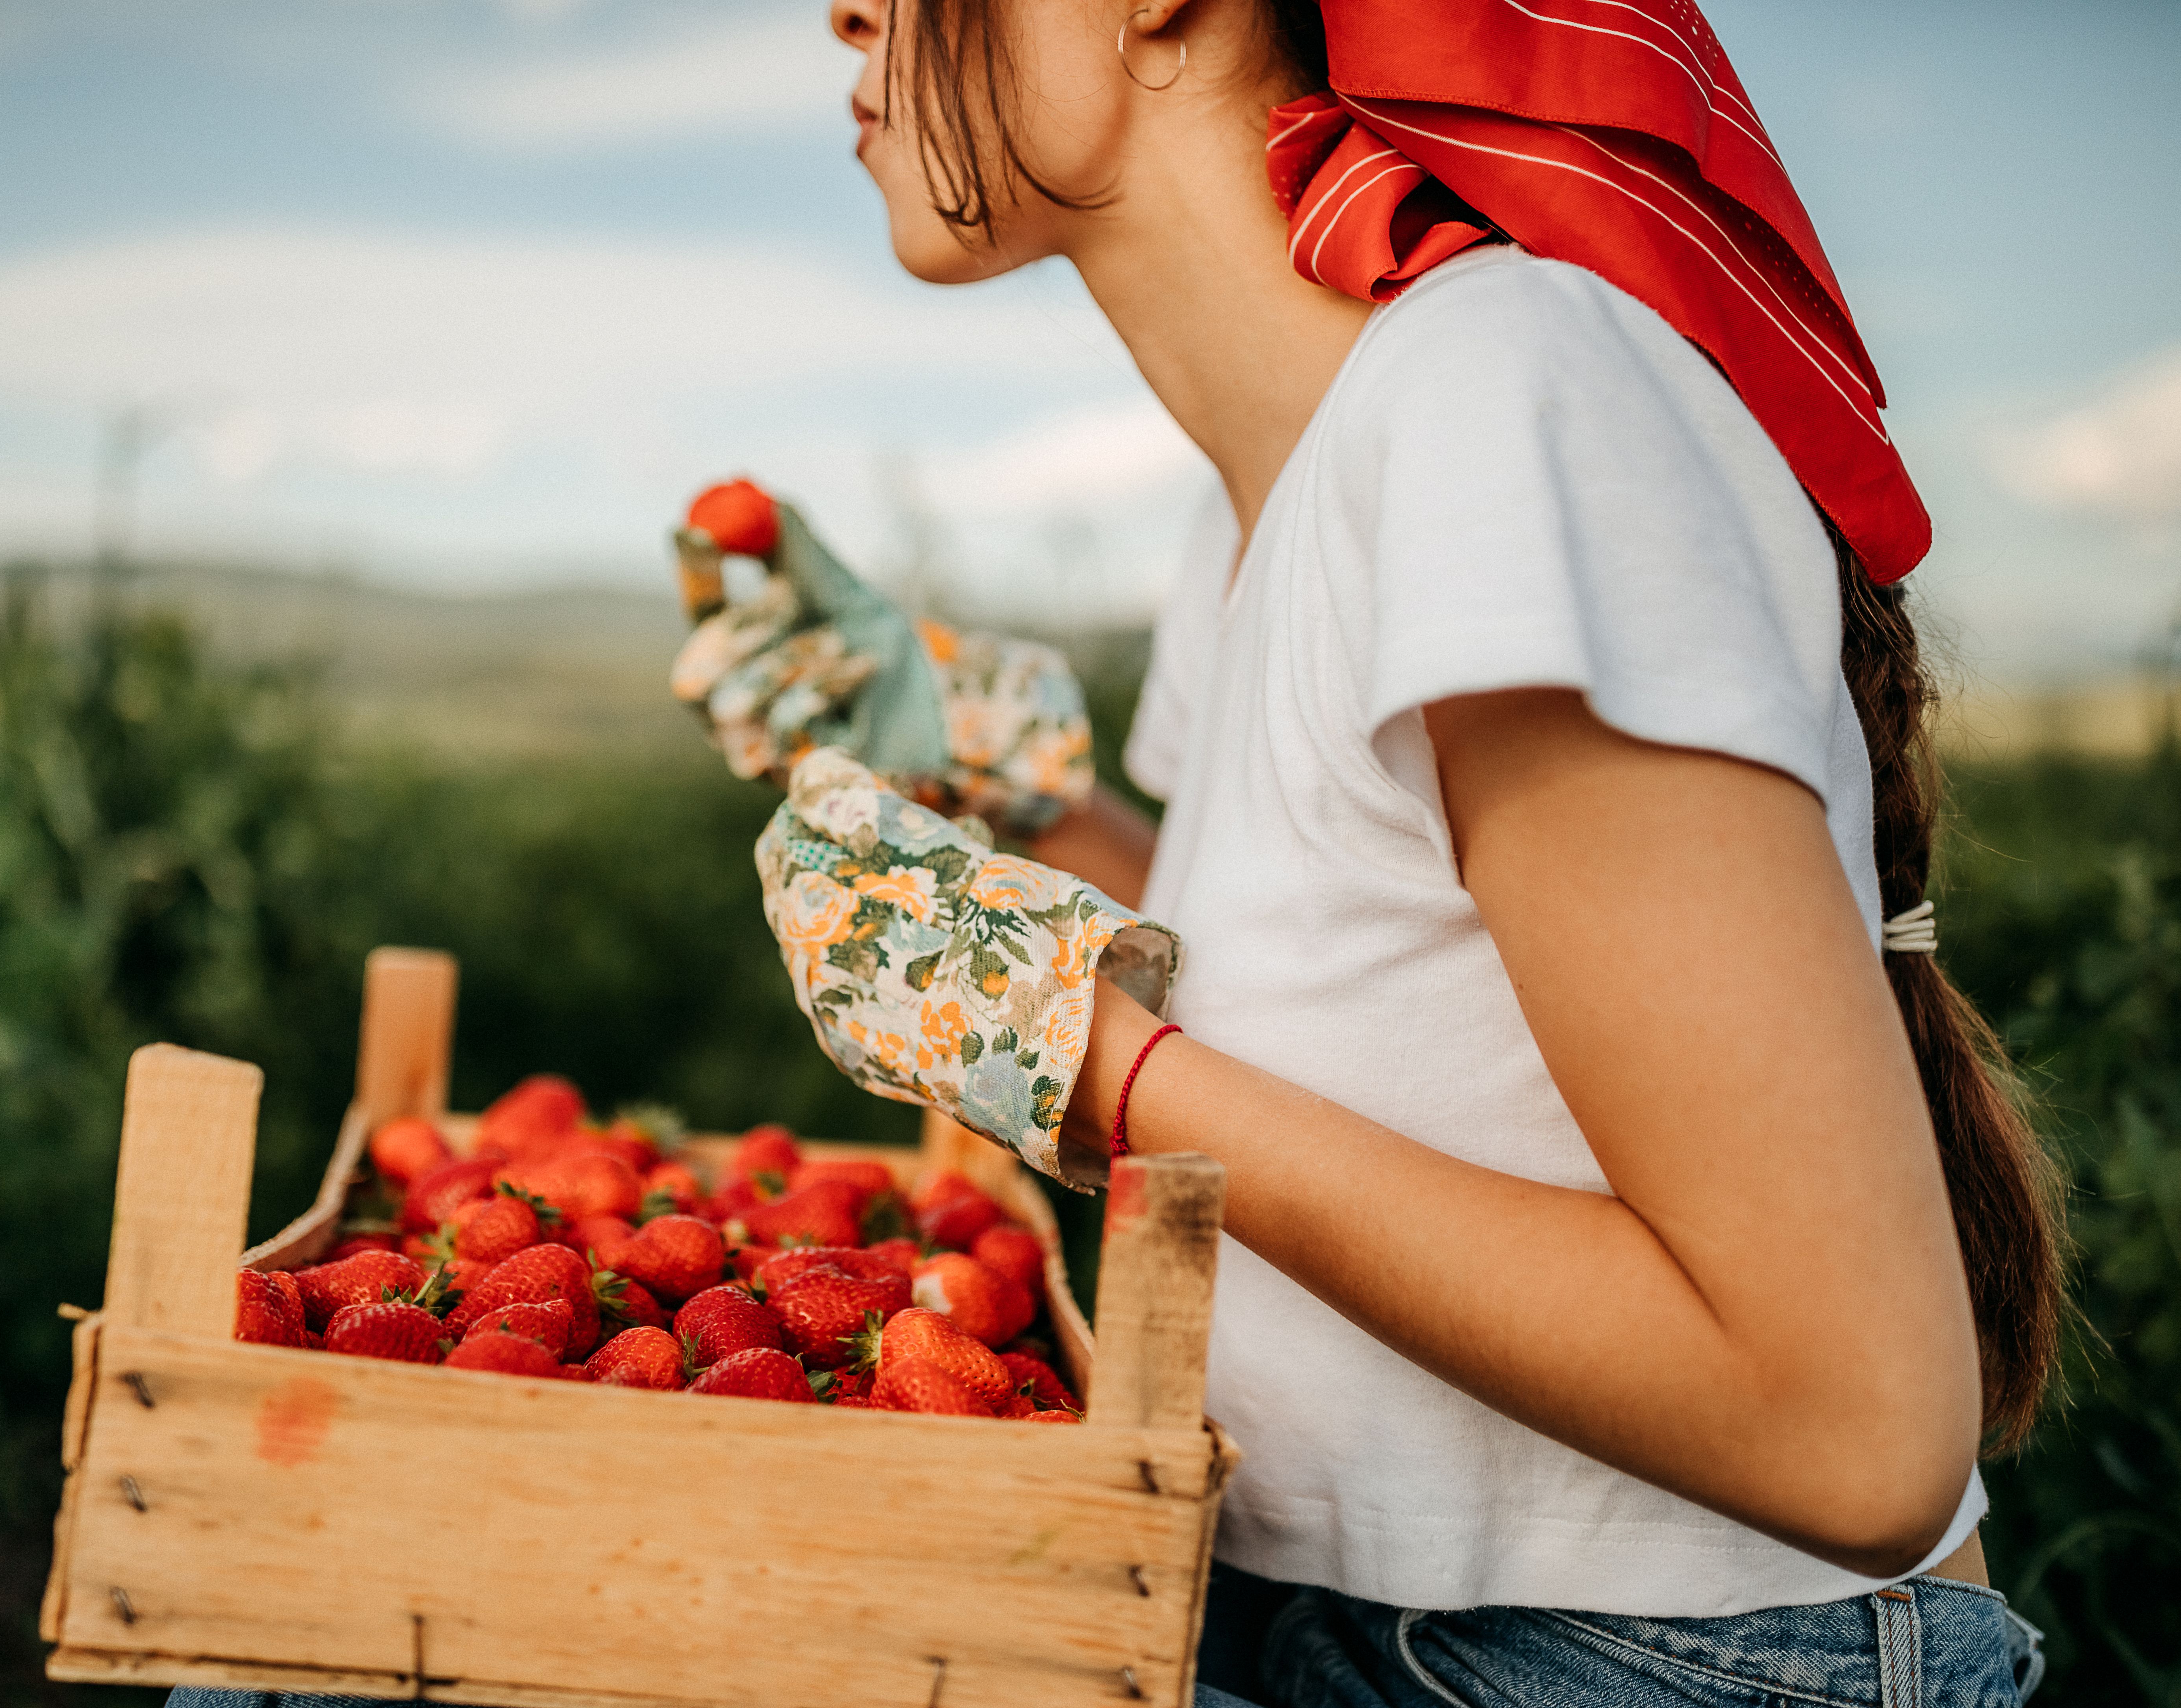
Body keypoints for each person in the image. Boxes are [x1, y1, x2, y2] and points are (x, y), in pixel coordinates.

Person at [710, 0, 2063, 1701]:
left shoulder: (1504, 394)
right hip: (1311, 1600)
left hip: (1644, 1658)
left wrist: (1096, 1071)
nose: (846, 10)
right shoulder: (1270, 487)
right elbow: (1349, 981)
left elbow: (1854, 1436)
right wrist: (1007, 791)